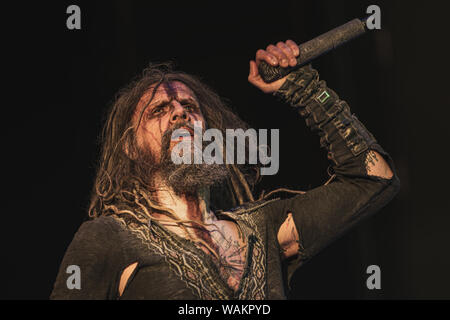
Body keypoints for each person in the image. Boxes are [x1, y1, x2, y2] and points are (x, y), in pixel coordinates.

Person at [50, 40, 400, 299]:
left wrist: (302, 88)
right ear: (130, 146)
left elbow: (375, 180)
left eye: (189, 106)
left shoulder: (263, 228)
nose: (179, 113)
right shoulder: (108, 238)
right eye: (159, 110)